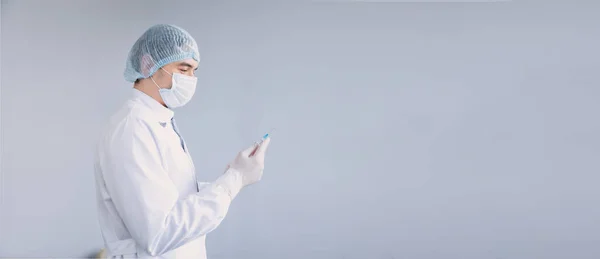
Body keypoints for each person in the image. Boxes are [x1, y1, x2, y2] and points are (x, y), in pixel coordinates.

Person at [93, 24, 271, 259]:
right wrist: (233, 181)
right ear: (147, 65)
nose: (191, 79)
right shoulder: (132, 128)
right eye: (184, 68)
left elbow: (173, 199)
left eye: (194, 71)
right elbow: (158, 232)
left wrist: (228, 178)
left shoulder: (157, 121)